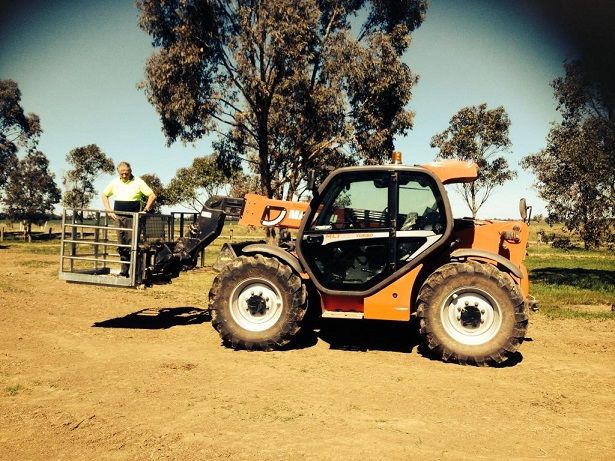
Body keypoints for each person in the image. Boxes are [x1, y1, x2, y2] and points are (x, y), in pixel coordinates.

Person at [102, 161, 157, 277]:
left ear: (130, 171)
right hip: (118, 217)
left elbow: (152, 195)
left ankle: (136, 274)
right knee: (121, 245)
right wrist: (108, 210)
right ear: (118, 173)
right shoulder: (114, 182)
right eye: (121, 173)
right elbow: (104, 195)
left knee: (133, 245)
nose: (124, 175)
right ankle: (124, 272)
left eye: (126, 173)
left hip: (133, 218)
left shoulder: (138, 182)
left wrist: (146, 210)